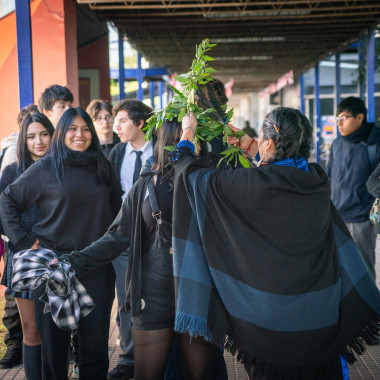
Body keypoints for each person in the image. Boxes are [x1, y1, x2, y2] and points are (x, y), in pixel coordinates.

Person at [170, 108, 380, 380]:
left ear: (269, 142)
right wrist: (248, 143)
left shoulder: (247, 184)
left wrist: (188, 131)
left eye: (262, 139)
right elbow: (284, 167)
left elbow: (189, 174)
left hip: (267, 322)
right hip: (318, 314)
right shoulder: (316, 179)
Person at [0, 107, 122, 380]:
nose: (80, 135)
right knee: (54, 354)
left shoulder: (103, 165)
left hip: (96, 268)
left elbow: (117, 214)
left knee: (94, 351)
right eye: (72, 129)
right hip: (53, 267)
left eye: (85, 129)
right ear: (62, 134)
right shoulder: (47, 166)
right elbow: (7, 199)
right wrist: (24, 241)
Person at [0, 112, 54, 376]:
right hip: (24, 257)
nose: (39, 141)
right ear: (23, 139)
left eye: (44, 134)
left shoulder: (62, 169)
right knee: (31, 329)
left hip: (59, 257)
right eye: (31, 136)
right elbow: (3, 214)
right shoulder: (12, 172)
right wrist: (25, 242)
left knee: (57, 328)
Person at [106, 99, 155, 380]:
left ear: (140, 123)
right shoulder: (116, 153)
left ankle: (157, 354)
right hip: (124, 237)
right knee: (125, 298)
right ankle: (129, 356)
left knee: (154, 295)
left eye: (122, 121)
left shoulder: (161, 152)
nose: (116, 127)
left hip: (153, 237)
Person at [326, 96, 380, 281]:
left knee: (364, 270)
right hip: (337, 217)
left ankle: (370, 308)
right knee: (338, 270)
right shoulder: (337, 144)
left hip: (362, 220)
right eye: (337, 119)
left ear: (359, 117)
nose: (339, 124)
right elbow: (329, 178)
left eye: (344, 118)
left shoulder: (375, 143)